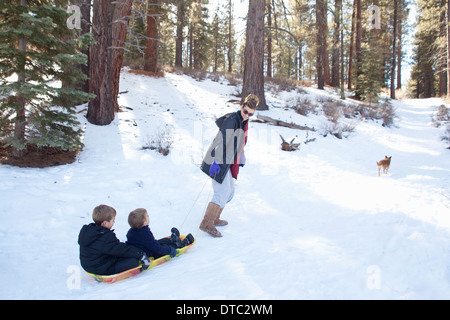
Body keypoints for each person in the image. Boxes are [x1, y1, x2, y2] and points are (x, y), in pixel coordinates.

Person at [199, 94, 259, 237]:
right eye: (245, 111)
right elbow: (222, 142)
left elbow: (239, 142)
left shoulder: (243, 122)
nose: (247, 115)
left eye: (250, 114)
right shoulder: (233, 120)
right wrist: (217, 161)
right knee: (222, 192)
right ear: (241, 107)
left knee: (230, 191)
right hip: (218, 161)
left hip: (228, 161)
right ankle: (206, 223)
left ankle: (214, 218)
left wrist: (241, 155)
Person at [78, 204, 151, 275]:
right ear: (105, 223)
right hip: (100, 268)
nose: (114, 222)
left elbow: (113, 248)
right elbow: (120, 249)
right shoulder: (104, 237)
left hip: (88, 265)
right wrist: (140, 254)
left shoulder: (90, 232)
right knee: (133, 262)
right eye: (113, 220)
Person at [126, 208, 194, 259]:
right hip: (150, 253)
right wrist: (170, 250)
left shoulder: (131, 231)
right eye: (147, 216)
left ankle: (172, 240)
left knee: (162, 241)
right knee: (167, 248)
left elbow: (151, 243)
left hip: (145, 247)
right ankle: (181, 244)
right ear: (144, 223)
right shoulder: (145, 233)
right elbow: (157, 248)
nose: (148, 217)